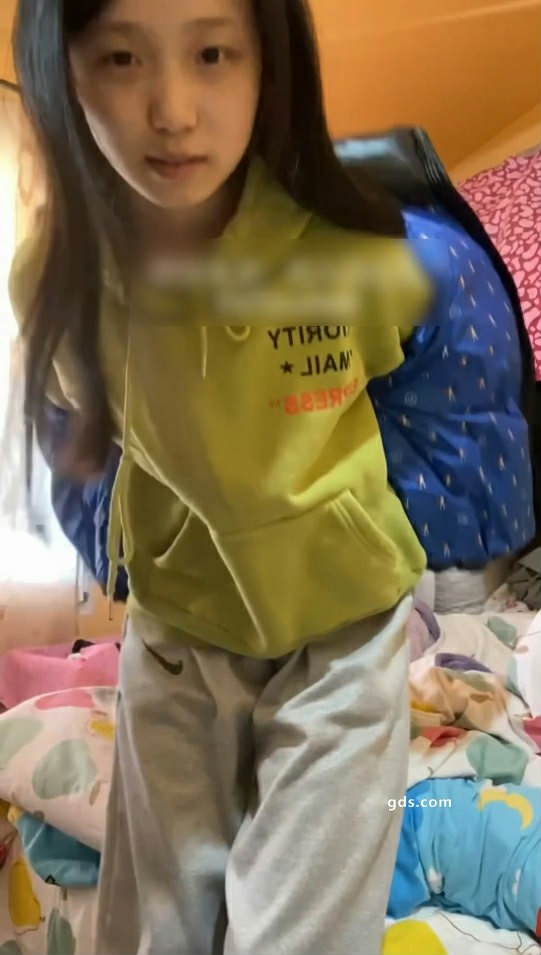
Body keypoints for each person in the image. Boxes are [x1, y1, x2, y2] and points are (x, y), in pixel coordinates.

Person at [7, 1, 534, 954]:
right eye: (121, 59)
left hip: (340, 639)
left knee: (300, 933)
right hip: (179, 631)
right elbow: (63, 420)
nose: (172, 108)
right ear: (61, 69)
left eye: (213, 53)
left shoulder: (363, 251)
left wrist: (420, 523)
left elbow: (465, 354)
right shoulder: (60, 272)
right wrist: (114, 541)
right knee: (149, 928)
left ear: (268, 62)